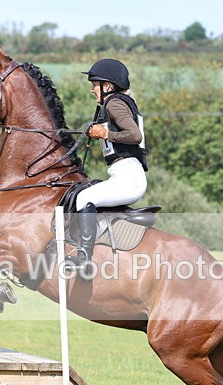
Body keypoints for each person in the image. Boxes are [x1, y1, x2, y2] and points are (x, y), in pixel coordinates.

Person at [65, 58, 148, 270]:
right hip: (123, 173)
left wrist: (105, 133)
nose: (92, 89)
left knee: (85, 197)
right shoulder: (112, 103)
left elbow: (134, 135)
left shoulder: (115, 103)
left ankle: (84, 257)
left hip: (130, 177)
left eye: (95, 84)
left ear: (107, 86)